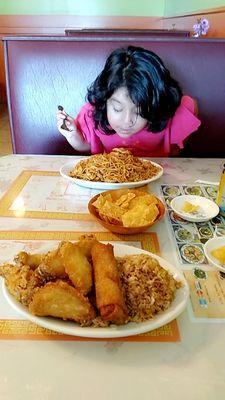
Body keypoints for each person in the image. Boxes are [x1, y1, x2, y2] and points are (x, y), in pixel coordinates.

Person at [56, 45, 201, 157]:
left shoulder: (169, 112)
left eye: (139, 111)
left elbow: (176, 151)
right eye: (117, 109)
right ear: (105, 101)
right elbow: (86, 145)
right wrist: (73, 135)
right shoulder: (92, 114)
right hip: (112, 181)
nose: (127, 121)